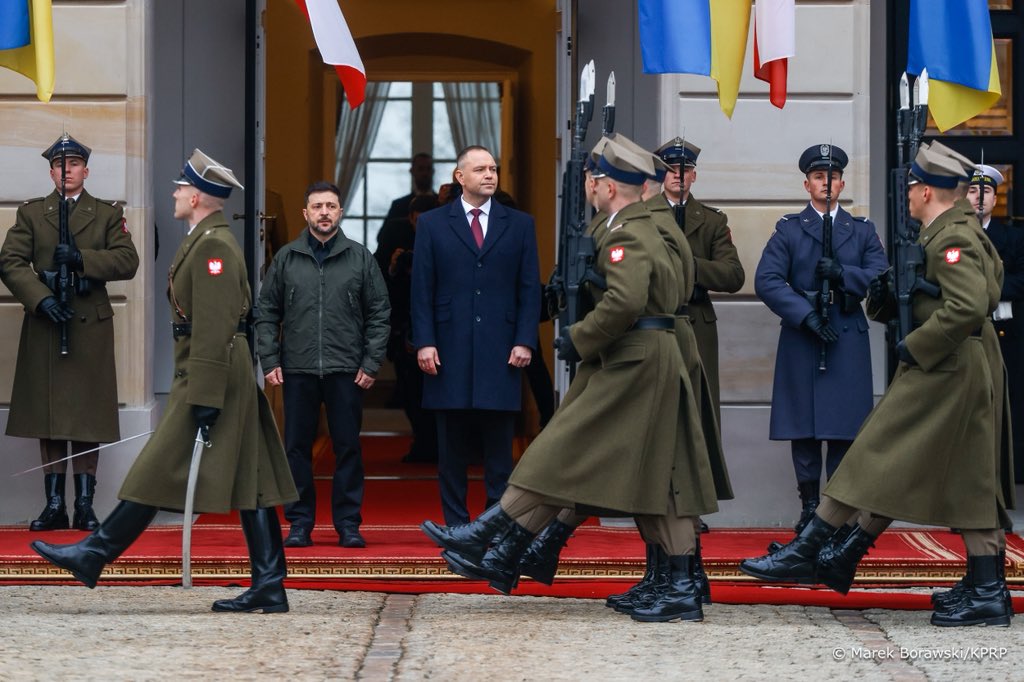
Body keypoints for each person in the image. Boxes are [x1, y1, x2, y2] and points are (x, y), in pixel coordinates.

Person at [422, 136, 721, 623]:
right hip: (645, 355)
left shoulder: (628, 232)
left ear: (606, 186)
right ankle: (677, 586)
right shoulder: (644, 226)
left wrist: (579, 336)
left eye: (591, 179)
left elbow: (625, 302)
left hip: (633, 360)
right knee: (661, 475)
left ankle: (488, 534)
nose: (588, 187)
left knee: (562, 447)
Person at [740, 144, 1015, 628]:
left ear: (926, 189)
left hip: (947, 366)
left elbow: (969, 303)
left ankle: (812, 549)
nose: (907, 194)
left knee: (874, 451)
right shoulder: (945, 231)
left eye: (911, 186)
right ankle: (985, 585)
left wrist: (916, 345)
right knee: (972, 475)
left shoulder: (954, 236)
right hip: (955, 364)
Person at [31, 149, 299, 613]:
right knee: (255, 477)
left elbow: (216, 326)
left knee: (156, 467)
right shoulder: (205, 238)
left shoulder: (213, 245)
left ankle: (93, 555)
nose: (174, 193)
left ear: (197, 196)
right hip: (216, 371)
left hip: (210, 373)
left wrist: (206, 394)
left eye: (180, 187)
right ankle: (270, 583)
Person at [0, 133, 139, 532]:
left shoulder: (107, 214)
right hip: (48, 322)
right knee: (50, 416)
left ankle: (85, 504)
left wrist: (82, 259)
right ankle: (54, 504)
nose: (67, 172)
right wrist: (41, 299)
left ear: (85, 170)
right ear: (51, 172)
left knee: (86, 418)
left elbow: (128, 260)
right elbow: (10, 261)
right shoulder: (31, 213)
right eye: (60, 166)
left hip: (88, 326)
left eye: (74, 165)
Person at [754, 144, 888, 534]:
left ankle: (838, 512)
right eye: (818, 177)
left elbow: (880, 275)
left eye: (832, 177)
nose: (825, 183)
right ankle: (809, 507)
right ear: (806, 183)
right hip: (804, 337)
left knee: (844, 428)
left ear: (842, 183)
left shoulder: (861, 230)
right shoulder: (790, 229)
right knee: (805, 429)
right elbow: (767, 280)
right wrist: (805, 313)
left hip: (846, 335)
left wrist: (844, 273)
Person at [257, 181, 390, 549]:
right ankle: (299, 522)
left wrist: (371, 361)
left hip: (346, 368)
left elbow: (380, 314)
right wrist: (269, 358)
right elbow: (266, 311)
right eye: (317, 207)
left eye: (331, 206)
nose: (324, 213)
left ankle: (348, 523)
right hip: (297, 367)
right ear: (306, 213)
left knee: (347, 446)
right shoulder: (286, 258)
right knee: (296, 447)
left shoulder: (360, 258)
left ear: (340, 211)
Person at [411, 146, 540, 526]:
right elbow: (422, 288)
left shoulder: (519, 224)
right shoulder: (433, 224)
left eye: (494, 169)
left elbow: (529, 288)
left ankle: (492, 527)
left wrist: (524, 339)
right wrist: (424, 341)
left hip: (502, 349)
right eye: (480, 169)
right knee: (450, 449)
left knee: (499, 450)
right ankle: (455, 526)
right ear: (459, 177)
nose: (490, 175)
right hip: (447, 349)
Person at [650, 137, 744, 422]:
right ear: (661, 174)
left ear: (694, 175)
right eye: (671, 168)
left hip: (697, 320)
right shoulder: (644, 216)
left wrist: (691, 266)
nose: (678, 174)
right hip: (657, 317)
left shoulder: (712, 220)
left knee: (700, 411)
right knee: (657, 405)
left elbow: (733, 275)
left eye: (685, 168)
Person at [968, 165, 1024, 485]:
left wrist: (987, 289)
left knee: (1001, 414)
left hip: (1003, 335)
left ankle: (998, 489)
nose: (979, 198)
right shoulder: (954, 235)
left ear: (995, 198)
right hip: (964, 334)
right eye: (974, 191)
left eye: (986, 192)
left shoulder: (1013, 238)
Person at [384, 194, 441, 463]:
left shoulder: (447, 239)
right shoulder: (396, 239)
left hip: (440, 327)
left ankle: (438, 443)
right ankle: (422, 439)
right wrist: (395, 269)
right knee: (408, 390)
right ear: (410, 219)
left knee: (437, 391)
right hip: (404, 324)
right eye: (418, 221)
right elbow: (378, 281)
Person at [374, 153, 438, 275]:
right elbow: (383, 240)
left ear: (433, 171)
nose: (425, 173)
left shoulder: (443, 205)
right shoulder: (398, 205)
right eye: (421, 169)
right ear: (412, 171)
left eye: (428, 169)